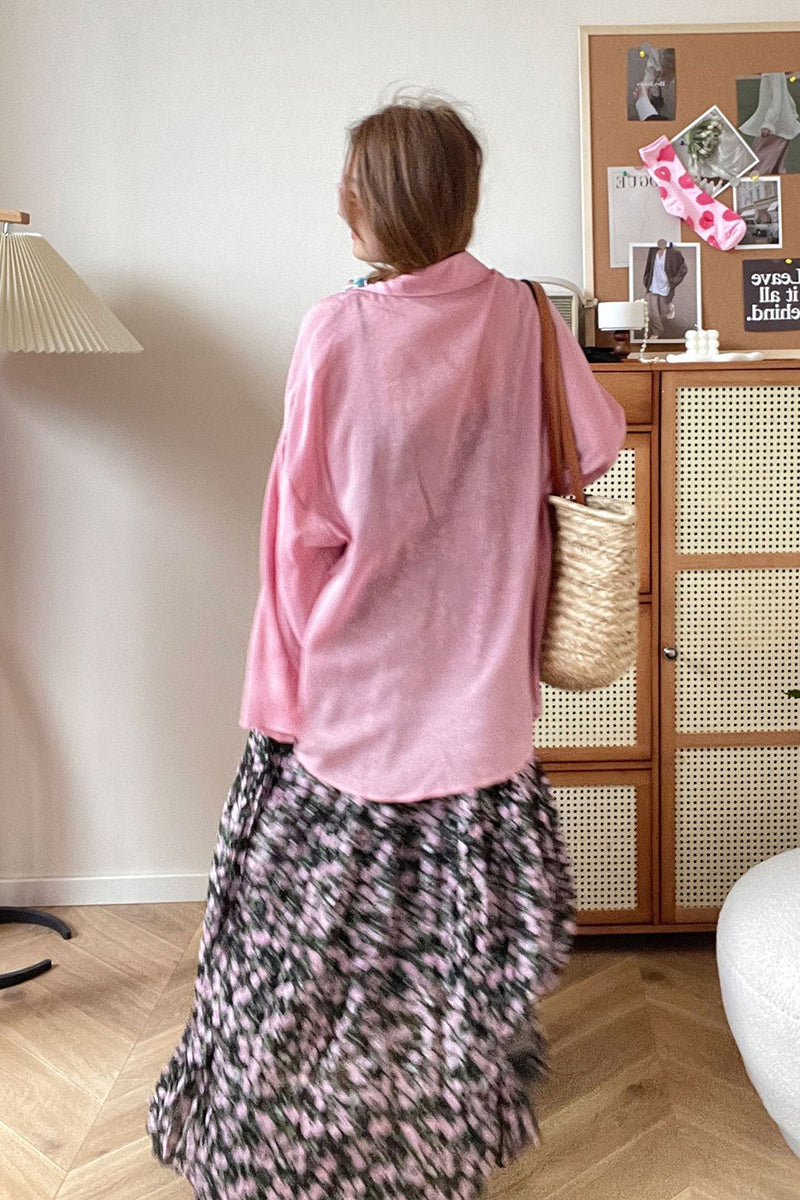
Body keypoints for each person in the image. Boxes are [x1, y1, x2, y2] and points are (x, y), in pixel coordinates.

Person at [147, 89, 627, 1200]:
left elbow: (298, 531)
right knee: (452, 954)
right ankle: (437, 1126)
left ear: (379, 201)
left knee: (304, 962)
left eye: (352, 185)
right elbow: (594, 445)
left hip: (351, 697)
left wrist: (279, 696)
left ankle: (298, 1148)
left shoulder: (337, 329)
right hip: (480, 709)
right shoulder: (525, 316)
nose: (339, 201)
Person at [643, 238, 687, 338]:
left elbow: (683, 269)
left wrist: (674, 280)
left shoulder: (674, 253)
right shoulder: (652, 250)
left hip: (666, 284)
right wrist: (646, 280)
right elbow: (649, 266)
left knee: (664, 310)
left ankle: (669, 308)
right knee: (653, 310)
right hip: (653, 284)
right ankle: (657, 331)